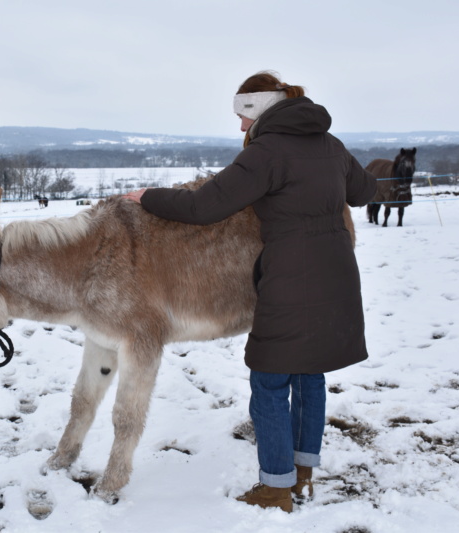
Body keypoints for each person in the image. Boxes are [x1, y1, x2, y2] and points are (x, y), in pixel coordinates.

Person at [125, 71, 376, 512]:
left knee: (270, 378)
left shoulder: (268, 151)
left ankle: (276, 487)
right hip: (337, 270)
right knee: (310, 371)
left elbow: (204, 206)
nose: (241, 127)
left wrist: (148, 197)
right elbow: (363, 190)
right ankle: (302, 471)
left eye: (243, 115)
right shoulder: (330, 145)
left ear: (259, 106)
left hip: (291, 274)